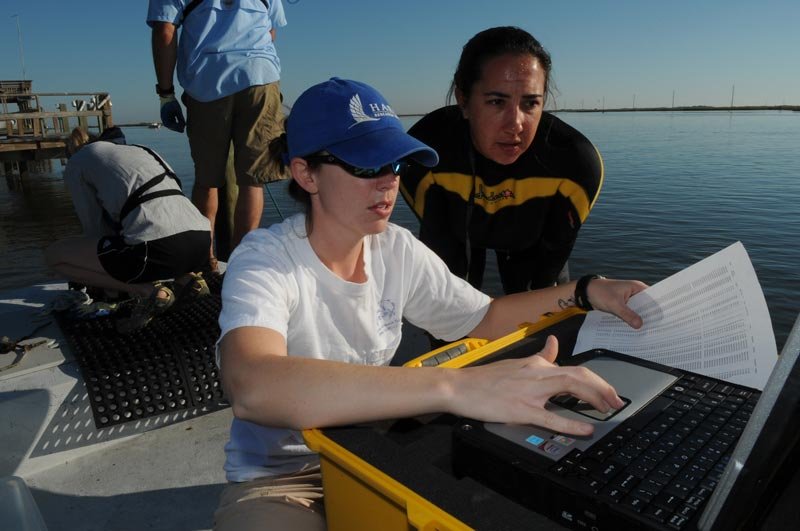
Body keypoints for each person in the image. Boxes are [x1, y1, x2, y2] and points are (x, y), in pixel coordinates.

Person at [214, 78, 646, 530]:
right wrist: (457, 388)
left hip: (376, 450)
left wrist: (584, 292)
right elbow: (252, 384)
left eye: (396, 164)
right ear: (306, 174)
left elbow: (485, 317)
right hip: (284, 477)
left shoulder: (395, 249)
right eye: (367, 166)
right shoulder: (265, 259)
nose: (389, 183)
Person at [401, 26, 603, 295]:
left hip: (533, 241)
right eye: (497, 101)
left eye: (530, 103)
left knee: (541, 315)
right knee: (449, 308)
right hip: (457, 234)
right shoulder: (423, 153)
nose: (515, 124)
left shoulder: (575, 163)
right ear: (463, 100)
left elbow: (549, 269)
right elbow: (441, 246)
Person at [147, 0, 288, 270]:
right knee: (252, 181)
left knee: (207, 181)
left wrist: (166, 94)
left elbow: (165, 31)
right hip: (260, 78)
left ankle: (206, 262)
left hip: (207, 83)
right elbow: (271, 31)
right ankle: (241, 264)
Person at [44, 127, 211, 332]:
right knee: (149, 233)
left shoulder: (77, 163)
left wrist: (103, 279)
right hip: (201, 241)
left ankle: (148, 292)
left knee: (55, 256)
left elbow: (93, 227)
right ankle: (189, 280)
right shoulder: (142, 150)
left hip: (158, 248)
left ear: (71, 152)